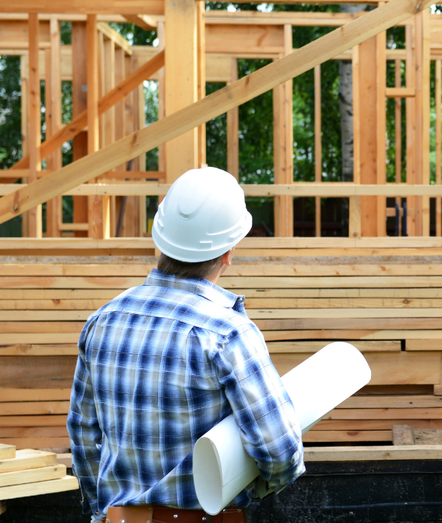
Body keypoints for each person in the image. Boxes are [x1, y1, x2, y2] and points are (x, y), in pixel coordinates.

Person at [67, 167, 305, 523]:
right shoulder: (227, 333)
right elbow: (280, 451)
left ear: (160, 238)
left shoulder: (102, 320)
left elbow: (83, 433)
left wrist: (104, 509)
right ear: (228, 252)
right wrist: (242, 491)